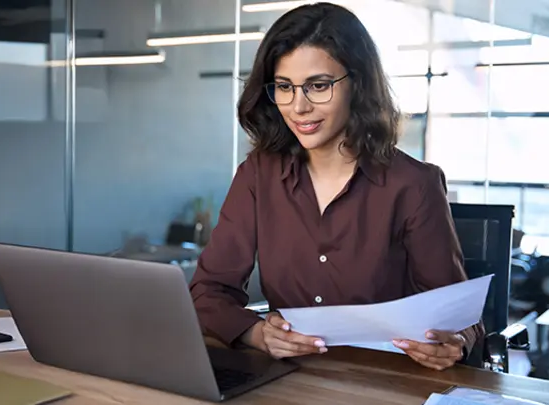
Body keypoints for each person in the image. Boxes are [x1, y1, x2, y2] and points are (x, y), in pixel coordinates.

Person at [189, 2, 484, 371]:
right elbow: (208, 290)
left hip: (389, 382)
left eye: (318, 86)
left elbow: (460, 318)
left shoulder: (414, 185)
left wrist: (454, 342)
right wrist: (255, 333)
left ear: (357, 83)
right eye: (284, 87)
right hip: (290, 381)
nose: (298, 106)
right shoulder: (257, 175)